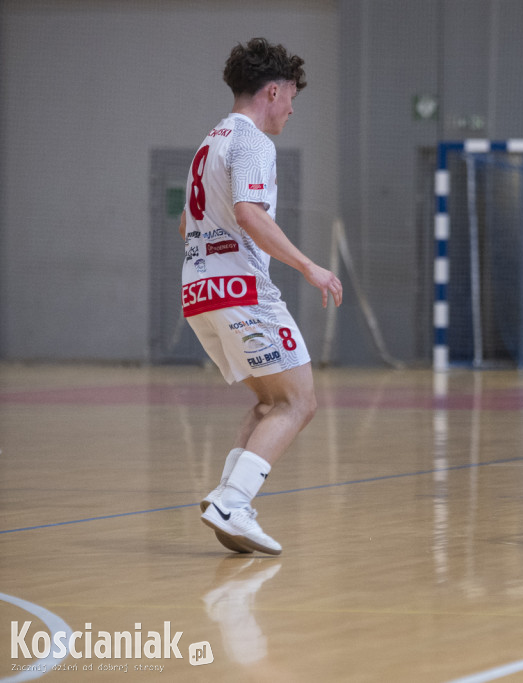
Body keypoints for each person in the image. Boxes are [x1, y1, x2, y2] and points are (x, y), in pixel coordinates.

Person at [179, 38, 344, 554]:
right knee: (300, 401)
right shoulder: (252, 141)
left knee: (271, 401)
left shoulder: (209, 142)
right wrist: (310, 266)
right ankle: (233, 502)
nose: (292, 109)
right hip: (243, 290)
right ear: (272, 91)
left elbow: (186, 221)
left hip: (200, 290)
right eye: (291, 97)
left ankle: (228, 502)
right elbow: (251, 214)